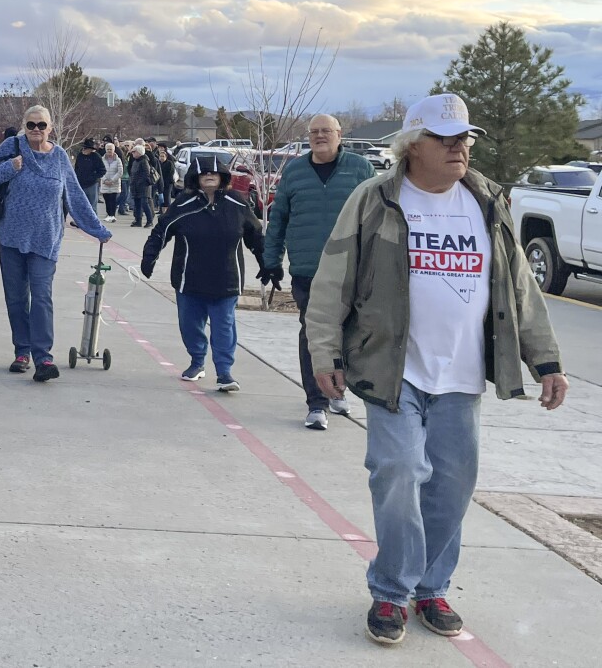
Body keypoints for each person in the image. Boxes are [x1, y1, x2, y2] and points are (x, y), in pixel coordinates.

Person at [306, 93, 568, 646]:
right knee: (398, 471)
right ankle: (391, 591)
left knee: (453, 483)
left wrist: (544, 359)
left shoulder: (486, 200)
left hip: (463, 374)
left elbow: (519, 285)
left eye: (464, 139)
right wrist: (323, 352)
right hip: (394, 368)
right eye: (445, 139)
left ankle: (431, 586)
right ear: (412, 146)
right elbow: (333, 281)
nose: (459, 148)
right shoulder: (375, 199)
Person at [258, 114, 376, 430]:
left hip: (353, 269)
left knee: (350, 333)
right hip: (308, 269)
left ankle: (339, 388)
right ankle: (316, 404)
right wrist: (271, 261)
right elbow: (278, 218)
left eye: (326, 131)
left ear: (340, 135)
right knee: (313, 333)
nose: (319, 136)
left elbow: (377, 218)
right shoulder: (294, 172)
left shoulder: (360, 169)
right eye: (314, 132)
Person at [0, 106, 111, 382]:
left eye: (41, 125)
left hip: (45, 239)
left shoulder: (60, 156)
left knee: (41, 297)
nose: (36, 130)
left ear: (50, 128)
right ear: (23, 126)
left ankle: (43, 357)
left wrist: (96, 228)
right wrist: (9, 167)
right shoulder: (11, 147)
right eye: (31, 125)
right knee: (16, 298)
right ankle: (22, 351)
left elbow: (74, 195)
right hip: (12, 237)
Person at [140, 154, 264, 392]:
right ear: (194, 178)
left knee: (223, 326)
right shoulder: (183, 204)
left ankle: (225, 373)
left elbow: (256, 235)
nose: (209, 176)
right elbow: (161, 231)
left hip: (226, 279)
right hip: (189, 279)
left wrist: (267, 262)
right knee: (190, 325)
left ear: (223, 177)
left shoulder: (237, 203)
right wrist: (149, 257)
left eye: (214, 173)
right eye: (204, 173)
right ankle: (197, 362)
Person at [73, 137, 106, 216]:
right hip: (81, 183)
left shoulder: (95, 156)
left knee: (92, 206)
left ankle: (93, 223)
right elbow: (76, 168)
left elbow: (102, 170)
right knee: (81, 205)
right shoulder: (80, 156)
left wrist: (94, 177)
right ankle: (81, 222)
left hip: (92, 184)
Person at [127, 144, 156, 227]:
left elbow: (146, 174)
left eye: (134, 152)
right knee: (137, 204)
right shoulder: (136, 161)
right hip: (135, 186)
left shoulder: (144, 161)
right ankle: (138, 221)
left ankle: (149, 221)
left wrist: (141, 183)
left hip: (144, 187)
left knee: (145, 204)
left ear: (139, 153)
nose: (132, 153)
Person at [99, 142, 124, 223]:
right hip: (105, 183)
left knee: (113, 200)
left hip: (114, 183)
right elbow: (100, 171)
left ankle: (112, 215)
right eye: (108, 149)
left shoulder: (118, 159)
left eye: (111, 149)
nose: (109, 151)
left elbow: (120, 172)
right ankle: (109, 214)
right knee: (107, 200)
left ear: (114, 150)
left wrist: (112, 180)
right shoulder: (102, 159)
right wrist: (105, 180)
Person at [155, 145, 176, 209]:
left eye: (163, 156)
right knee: (161, 197)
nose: (161, 158)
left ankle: (168, 209)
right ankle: (161, 209)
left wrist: (165, 181)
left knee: (167, 197)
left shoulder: (169, 163)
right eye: (160, 156)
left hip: (168, 183)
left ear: (166, 157)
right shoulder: (158, 163)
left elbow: (170, 173)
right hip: (161, 182)